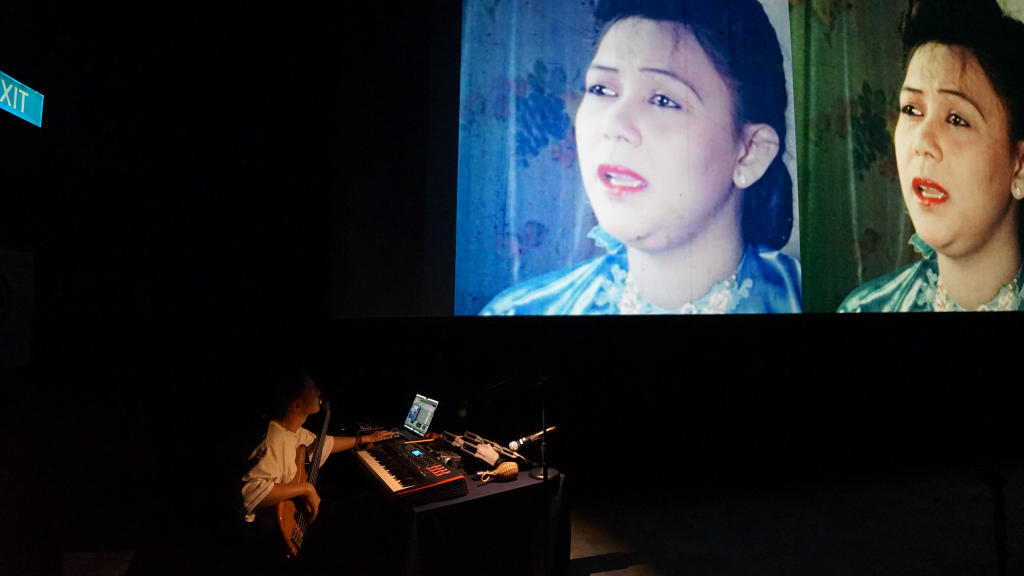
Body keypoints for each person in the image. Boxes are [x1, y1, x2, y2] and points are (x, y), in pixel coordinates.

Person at [480, 0, 801, 315]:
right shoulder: (520, 312)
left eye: (663, 99)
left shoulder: (822, 300)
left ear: (749, 153)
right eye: (602, 90)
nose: (614, 125)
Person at [838, 0, 1024, 312]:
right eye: (911, 110)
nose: (921, 141)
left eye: (956, 119)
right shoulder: (864, 308)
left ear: (1019, 167)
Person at [236, 372, 398, 575]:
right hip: (273, 534)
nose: (319, 392)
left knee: (365, 502)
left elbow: (323, 444)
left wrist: (361, 440)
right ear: (296, 405)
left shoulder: (290, 429)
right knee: (370, 506)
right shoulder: (271, 439)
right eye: (313, 389)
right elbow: (250, 492)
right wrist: (306, 488)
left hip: (290, 516)